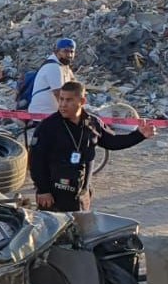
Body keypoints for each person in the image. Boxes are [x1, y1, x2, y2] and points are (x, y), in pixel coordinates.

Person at [29, 81, 155, 212]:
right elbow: (36, 161)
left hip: (81, 192)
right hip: (55, 194)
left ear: (82, 101)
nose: (63, 104)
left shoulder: (92, 123)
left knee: (81, 230)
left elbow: (111, 142)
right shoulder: (48, 126)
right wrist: (43, 190)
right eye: (61, 99)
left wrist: (139, 135)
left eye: (69, 100)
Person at [27, 38, 77, 117]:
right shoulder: (53, 67)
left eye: (72, 52)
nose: (69, 55)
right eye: (65, 51)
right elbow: (59, 93)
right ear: (57, 52)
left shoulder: (64, 67)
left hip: (52, 114)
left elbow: (75, 87)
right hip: (43, 114)